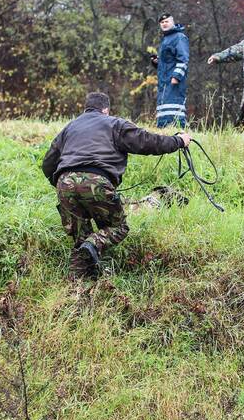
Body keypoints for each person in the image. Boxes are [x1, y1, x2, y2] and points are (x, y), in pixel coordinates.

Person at [41, 92, 191, 279]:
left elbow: (48, 163)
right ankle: (93, 246)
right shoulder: (114, 123)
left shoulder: (69, 128)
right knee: (118, 227)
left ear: (86, 108)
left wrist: (62, 183)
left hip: (64, 183)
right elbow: (147, 142)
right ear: (106, 110)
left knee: (80, 240)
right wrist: (178, 141)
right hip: (97, 181)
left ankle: (77, 288)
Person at [152, 12, 190, 128]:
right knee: (163, 108)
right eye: (162, 22)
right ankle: (163, 132)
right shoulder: (166, 39)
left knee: (174, 108)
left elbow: (183, 59)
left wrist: (176, 76)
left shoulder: (179, 37)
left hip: (173, 81)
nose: (164, 24)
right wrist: (157, 62)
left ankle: (178, 132)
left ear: (172, 22)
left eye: (166, 21)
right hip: (163, 81)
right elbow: (168, 62)